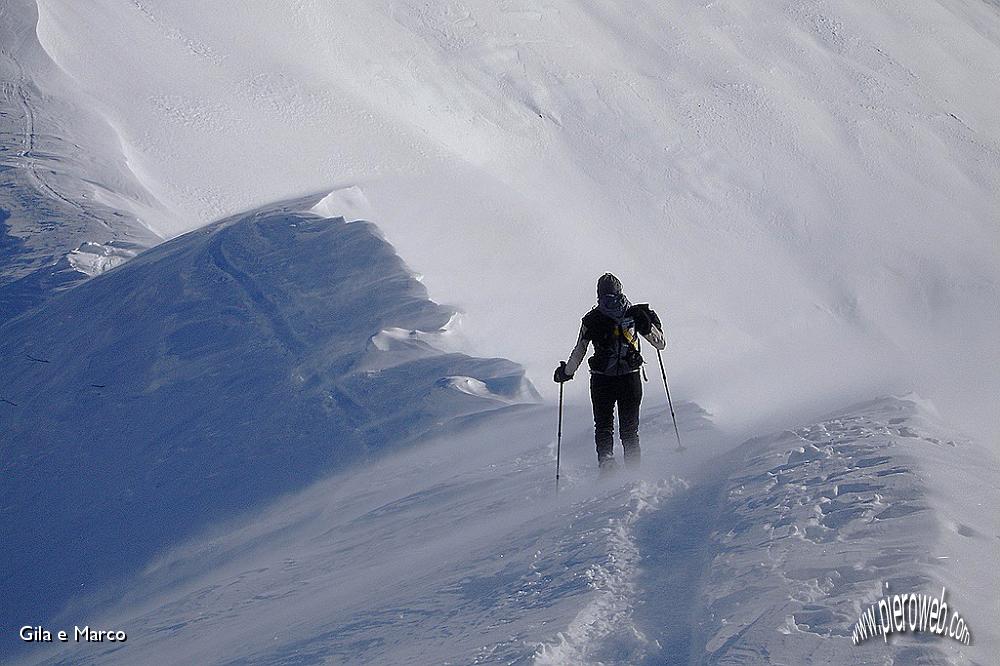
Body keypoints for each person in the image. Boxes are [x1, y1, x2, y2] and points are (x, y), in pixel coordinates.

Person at [554, 273, 666, 473]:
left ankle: (607, 466)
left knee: (604, 427)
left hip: (601, 380)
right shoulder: (635, 314)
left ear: (599, 294)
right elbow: (660, 344)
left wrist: (566, 373)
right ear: (620, 291)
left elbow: (579, 351)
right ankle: (634, 472)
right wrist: (653, 325)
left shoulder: (591, 319)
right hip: (630, 379)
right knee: (629, 431)